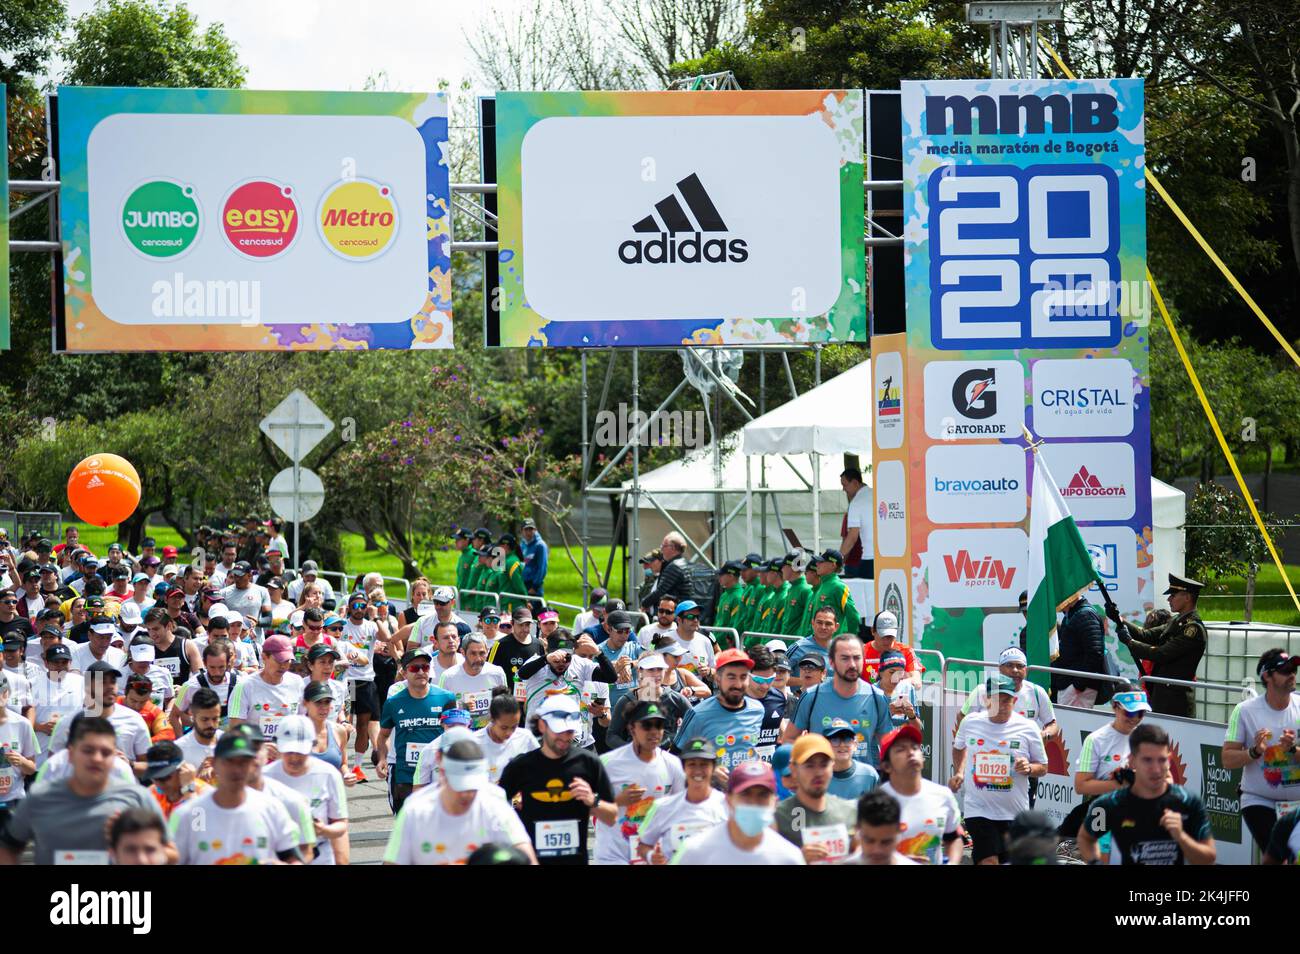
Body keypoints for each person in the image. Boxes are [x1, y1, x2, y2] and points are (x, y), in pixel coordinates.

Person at [0, 715, 170, 865]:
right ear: (70, 754)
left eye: (105, 752)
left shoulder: (137, 798)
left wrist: (140, 846)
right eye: (88, 750)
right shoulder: (39, 798)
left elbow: (172, 852)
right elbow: (8, 847)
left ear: (116, 756)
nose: (97, 758)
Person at [499, 694, 616, 866]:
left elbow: (612, 816)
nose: (564, 737)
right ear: (542, 725)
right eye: (558, 730)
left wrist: (593, 801)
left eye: (569, 731)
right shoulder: (520, 766)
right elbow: (495, 812)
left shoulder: (589, 762)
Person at [1077, 723, 1216, 865]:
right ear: (1132, 760)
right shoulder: (1109, 804)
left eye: (1162, 760)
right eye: (1147, 760)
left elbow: (1209, 859)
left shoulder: (1188, 802)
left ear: (1169, 759)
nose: (1156, 769)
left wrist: (1181, 837)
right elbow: (1086, 838)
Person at [385, 737, 536, 865]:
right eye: (460, 787)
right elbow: (393, 861)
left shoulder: (495, 806)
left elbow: (526, 853)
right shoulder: (415, 810)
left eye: (473, 788)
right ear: (442, 774)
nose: (467, 795)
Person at [949, 674, 1049, 864]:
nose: (1002, 706)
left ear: (1015, 700)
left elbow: (1043, 767)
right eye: (996, 700)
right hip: (978, 808)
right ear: (986, 700)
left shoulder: (1028, 728)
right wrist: (959, 772)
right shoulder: (970, 722)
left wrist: (1028, 768)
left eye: (1007, 700)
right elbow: (959, 747)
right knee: (989, 861)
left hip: (1014, 812)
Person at [168, 730, 305, 864]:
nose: (236, 770)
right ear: (214, 764)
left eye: (243, 762)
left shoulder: (272, 809)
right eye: (229, 761)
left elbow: (294, 858)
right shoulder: (186, 814)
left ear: (252, 764)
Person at [1222, 648, 1300, 854]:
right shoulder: (1245, 710)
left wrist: (1293, 750)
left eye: (1294, 669)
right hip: (1259, 800)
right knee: (1279, 854)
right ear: (1267, 676)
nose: (1292, 674)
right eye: (1285, 670)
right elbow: (1227, 759)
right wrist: (1254, 752)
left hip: (1297, 802)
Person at [594, 700, 685, 865]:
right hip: (613, 856)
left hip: (652, 856)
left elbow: (680, 811)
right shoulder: (608, 762)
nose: (654, 732)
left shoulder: (672, 764)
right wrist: (617, 801)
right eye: (647, 725)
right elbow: (586, 805)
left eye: (659, 725)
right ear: (631, 728)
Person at [1062, 686, 1152, 849]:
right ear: (1115, 707)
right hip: (1105, 810)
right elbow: (1081, 786)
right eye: (1130, 713)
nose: (1135, 718)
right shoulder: (1097, 739)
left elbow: (1165, 779)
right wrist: (1120, 784)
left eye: (1141, 713)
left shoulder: (1147, 738)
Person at [784, 634, 891, 770]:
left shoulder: (877, 697)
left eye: (857, 658)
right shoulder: (812, 696)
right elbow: (789, 740)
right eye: (845, 658)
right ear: (832, 662)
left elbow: (888, 745)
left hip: (863, 787)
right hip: (820, 785)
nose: (852, 664)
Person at [1110, 574, 1208, 717]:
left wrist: (1130, 643)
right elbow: (1146, 635)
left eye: (1173, 595)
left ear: (1187, 597)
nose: (1169, 599)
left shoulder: (1193, 629)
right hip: (1161, 694)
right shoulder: (1176, 621)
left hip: (1176, 699)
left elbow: (1161, 654)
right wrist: (1119, 620)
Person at [672, 760, 804, 865]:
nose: (753, 802)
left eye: (763, 795)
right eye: (745, 794)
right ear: (728, 799)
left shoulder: (789, 858)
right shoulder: (695, 851)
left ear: (775, 802)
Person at [376, 647, 458, 814]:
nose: (421, 672)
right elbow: (383, 734)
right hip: (405, 774)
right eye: (414, 668)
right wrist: (382, 759)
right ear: (404, 673)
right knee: (405, 824)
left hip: (437, 773)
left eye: (425, 667)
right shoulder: (393, 702)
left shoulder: (446, 698)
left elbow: (454, 733)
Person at [265, 715, 349, 865]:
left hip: (319, 854)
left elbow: (341, 824)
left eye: (300, 752)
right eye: (289, 751)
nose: (294, 758)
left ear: (312, 746)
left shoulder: (329, 774)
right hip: (276, 856)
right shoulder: (265, 776)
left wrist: (324, 830)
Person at [516, 629, 618, 750]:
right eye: (556, 659)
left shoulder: (581, 665)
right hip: (539, 741)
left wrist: (599, 653)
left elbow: (611, 677)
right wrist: (545, 659)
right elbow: (522, 674)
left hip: (572, 741)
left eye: (567, 658)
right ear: (548, 652)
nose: (561, 663)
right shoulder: (536, 663)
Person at [878, 723, 963, 865]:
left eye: (915, 747)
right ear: (886, 766)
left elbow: (953, 839)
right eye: (901, 749)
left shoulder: (943, 795)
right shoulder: (877, 802)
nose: (911, 752)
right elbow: (864, 850)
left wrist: (951, 863)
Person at [635, 736, 728, 864]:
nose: (698, 770)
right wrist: (652, 857)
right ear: (684, 768)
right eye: (692, 764)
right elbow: (643, 845)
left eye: (704, 764)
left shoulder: (728, 806)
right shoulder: (663, 807)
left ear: (713, 768)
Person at [49, 661, 152, 776]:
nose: (110, 687)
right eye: (102, 682)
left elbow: (149, 766)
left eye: (113, 681)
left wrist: (130, 765)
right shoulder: (68, 723)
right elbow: (53, 766)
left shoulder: (134, 720)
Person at [675, 649, 765, 774]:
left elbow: (749, 750)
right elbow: (675, 759)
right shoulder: (698, 714)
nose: (738, 684)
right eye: (731, 677)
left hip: (747, 790)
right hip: (712, 791)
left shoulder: (758, 710)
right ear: (718, 678)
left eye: (743, 677)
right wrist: (709, 771)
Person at [773, 733, 858, 863]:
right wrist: (797, 859)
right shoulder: (777, 818)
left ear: (832, 766)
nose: (818, 773)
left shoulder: (850, 812)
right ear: (793, 769)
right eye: (809, 765)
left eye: (824, 765)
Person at [958, 646, 1058, 741]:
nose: (1015, 670)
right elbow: (962, 717)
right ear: (1000, 668)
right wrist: (973, 741)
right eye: (1009, 665)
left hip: (1023, 753)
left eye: (1020, 666)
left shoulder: (1037, 692)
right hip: (988, 752)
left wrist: (1045, 734)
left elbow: (1052, 724)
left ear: (1026, 670)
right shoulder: (981, 690)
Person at [227, 634, 304, 750]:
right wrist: (261, 747)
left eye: (287, 661)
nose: (283, 665)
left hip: (288, 754)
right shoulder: (244, 686)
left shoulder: (297, 682)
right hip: (254, 755)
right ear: (264, 657)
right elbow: (235, 729)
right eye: (278, 660)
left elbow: (302, 721)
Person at [606, 654, 691, 750]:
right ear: (640, 671)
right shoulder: (627, 701)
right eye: (650, 669)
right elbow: (612, 736)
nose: (656, 674)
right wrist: (634, 750)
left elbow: (695, 726)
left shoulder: (677, 699)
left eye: (660, 669)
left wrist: (674, 748)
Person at [438, 633, 508, 730]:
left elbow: (506, 705)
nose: (478, 658)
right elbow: (440, 710)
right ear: (463, 652)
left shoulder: (497, 673)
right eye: (473, 653)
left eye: (482, 653)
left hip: (490, 734)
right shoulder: (448, 676)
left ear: (487, 651)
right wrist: (462, 706)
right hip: (461, 733)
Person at [172, 641, 238, 733]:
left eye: (221, 667)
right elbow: (174, 716)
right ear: (204, 663)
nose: (217, 673)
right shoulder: (189, 686)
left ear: (228, 663)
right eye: (212, 667)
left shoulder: (239, 684)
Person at [1053, 594, 1107, 707]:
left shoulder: (1085, 615)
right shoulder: (1071, 615)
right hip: (1069, 683)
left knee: (1074, 724)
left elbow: (1095, 653)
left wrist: (1078, 685)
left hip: (1078, 689)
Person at [473, 692, 538, 784]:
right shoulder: (473, 742)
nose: (509, 733)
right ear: (492, 719)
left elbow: (540, 767)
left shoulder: (526, 737)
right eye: (504, 727)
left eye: (514, 727)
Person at [0, 674, 38, 823]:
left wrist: (21, 761)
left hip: (13, 802)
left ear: (7, 693)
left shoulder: (23, 724)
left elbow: (31, 768)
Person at [487, 604, 544, 696]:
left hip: (531, 698)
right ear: (512, 623)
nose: (525, 629)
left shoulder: (538, 645)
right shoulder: (500, 645)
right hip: (507, 700)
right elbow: (488, 672)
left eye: (528, 625)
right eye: (521, 625)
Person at [744, 644, 787, 762]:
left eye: (770, 679)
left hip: (770, 767)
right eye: (758, 680)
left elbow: (781, 729)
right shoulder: (735, 700)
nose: (765, 685)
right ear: (747, 674)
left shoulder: (778, 698)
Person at [804, 550, 860, 637]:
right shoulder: (822, 585)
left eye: (821, 562)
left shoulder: (838, 587)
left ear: (833, 565)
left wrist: (849, 640)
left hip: (832, 644)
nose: (817, 564)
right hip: (818, 642)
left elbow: (853, 617)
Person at [594, 610, 640, 711]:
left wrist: (630, 664)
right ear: (608, 629)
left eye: (627, 631)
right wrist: (612, 669)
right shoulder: (597, 652)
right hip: (608, 713)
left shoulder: (634, 647)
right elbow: (592, 685)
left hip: (634, 711)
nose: (624, 636)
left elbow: (653, 657)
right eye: (619, 631)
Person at [825, 717, 879, 800]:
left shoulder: (869, 775)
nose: (842, 745)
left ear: (855, 744)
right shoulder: (818, 775)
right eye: (835, 740)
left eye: (847, 739)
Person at [175, 687, 222, 780]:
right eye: (205, 719)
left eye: (215, 719)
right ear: (191, 714)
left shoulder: (229, 743)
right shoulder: (178, 750)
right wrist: (197, 779)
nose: (211, 724)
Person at [665, 600, 716, 680]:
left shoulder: (705, 641)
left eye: (697, 617)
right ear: (678, 620)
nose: (695, 620)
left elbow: (715, 672)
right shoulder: (665, 640)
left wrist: (709, 672)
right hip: (671, 690)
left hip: (699, 691)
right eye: (690, 617)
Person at [839, 467, 873, 580]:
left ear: (855, 482)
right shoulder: (878, 495)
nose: (843, 489)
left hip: (869, 560)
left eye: (845, 485)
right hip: (888, 558)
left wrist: (836, 561)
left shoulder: (856, 503)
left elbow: (851, 538)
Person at [786, 605, 838, 670]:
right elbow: (777, 676)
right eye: (819, 622)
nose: (823, 627)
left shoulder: (840, 650)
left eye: (828, 624)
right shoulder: (798, 647)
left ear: (836, 627)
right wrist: (808, 680)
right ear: (813, 623)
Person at [779, 551, 815, 637]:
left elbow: (808, 621)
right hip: (787, 641)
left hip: (796, 643)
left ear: (792, 567)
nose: (781, 569)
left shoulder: (806, 589)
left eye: (783, 566)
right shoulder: (791, 588)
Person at [520, 519, 549, 598]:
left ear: (535, 530)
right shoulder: (522, 544)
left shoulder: (540, 545)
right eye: (526, 530)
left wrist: (535, 587)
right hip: (523, 584)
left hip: (533, 587)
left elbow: (542, 568)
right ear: (522, 531)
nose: (528, 532)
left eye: (531, 529)